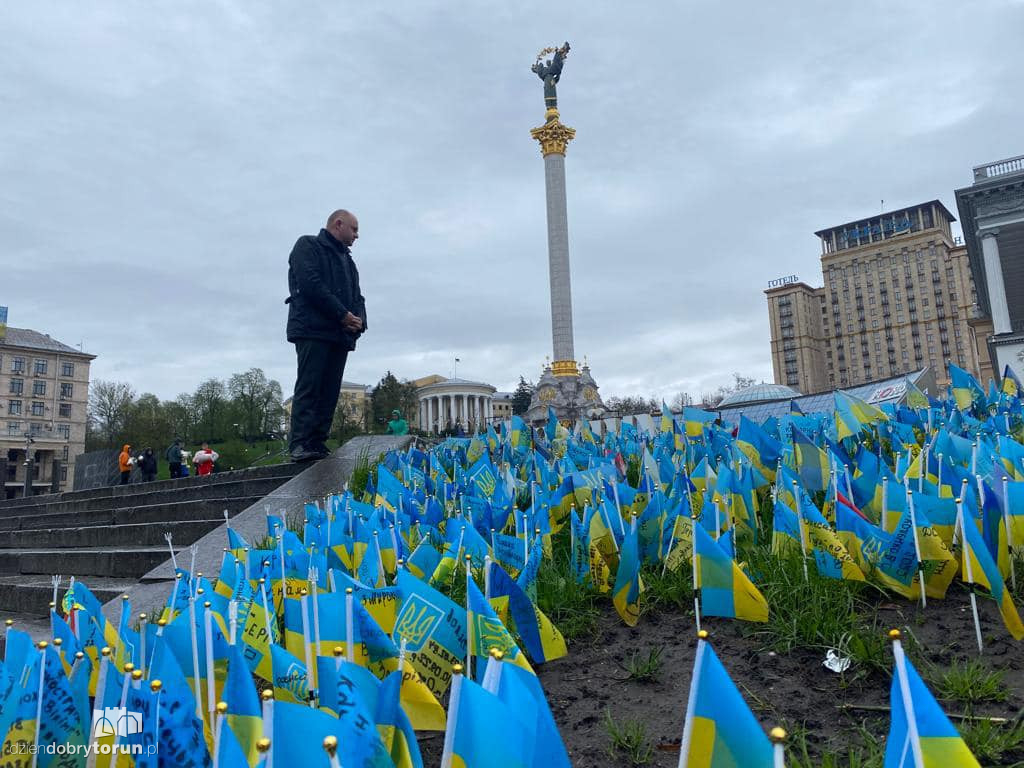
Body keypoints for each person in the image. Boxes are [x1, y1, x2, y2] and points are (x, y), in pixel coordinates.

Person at [285, 209, 367, 462]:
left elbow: (358, 296)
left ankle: (318, 442)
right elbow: (310, 284)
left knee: (330, 390)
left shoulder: (348, 261)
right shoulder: (308, 245)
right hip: (313, 329)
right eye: (354, 229)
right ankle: (300, 443)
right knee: (310, 385)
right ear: (338, 224)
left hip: (339, 335)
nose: (357, 235)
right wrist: (343, 314)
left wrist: (360, 322)